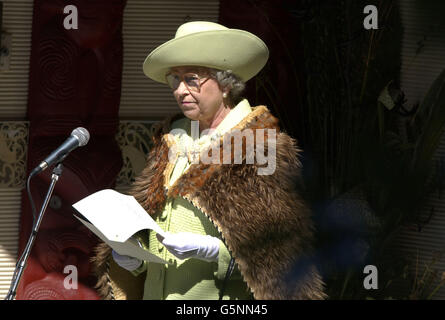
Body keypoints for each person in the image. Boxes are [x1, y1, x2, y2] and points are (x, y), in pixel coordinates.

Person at [92, 21, 326, 300]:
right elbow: (157, 227)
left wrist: (217, 251)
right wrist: (133, 257)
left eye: (191, 79)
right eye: (174, 79)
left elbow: (283, 258)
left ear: (226, 85)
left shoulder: (262, 147)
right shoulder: (170, 139)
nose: (179, 90)